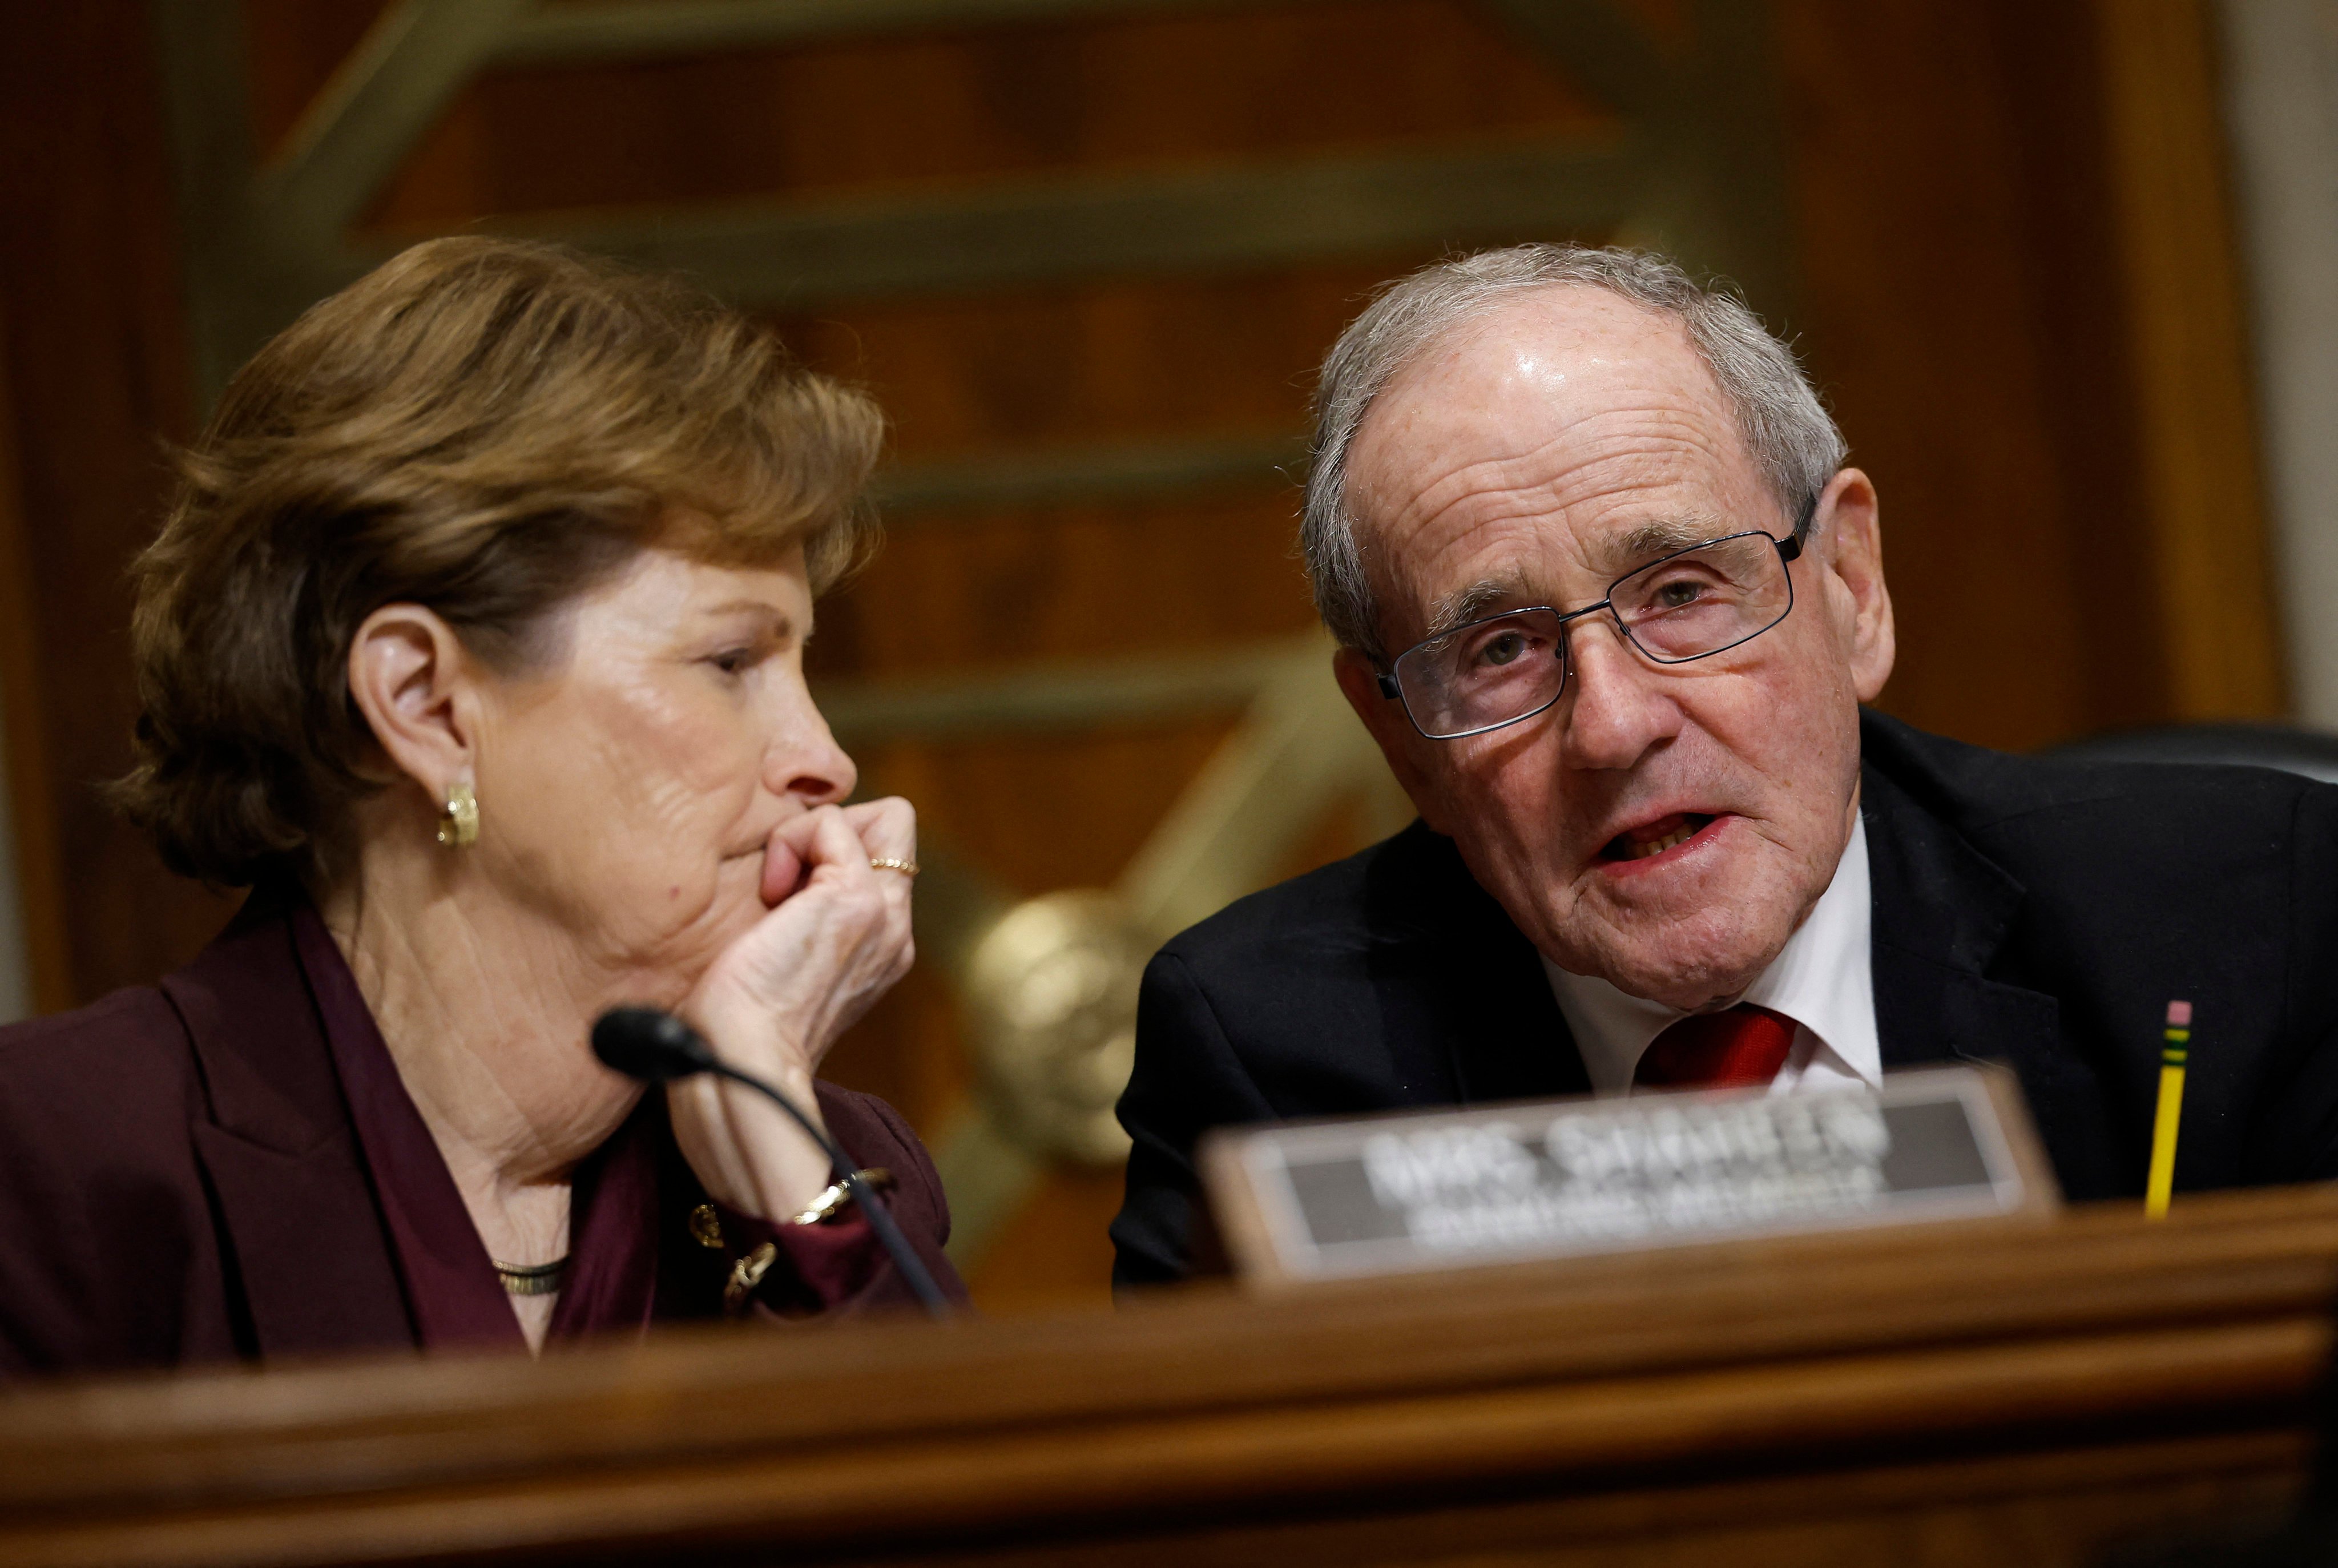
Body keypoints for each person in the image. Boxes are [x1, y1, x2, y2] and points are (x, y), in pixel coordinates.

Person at [1112, 243, 2338, 1287]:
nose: (1612, 726)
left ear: (1849, 587)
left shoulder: (2238, 920)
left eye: (1682, 592)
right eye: (1496, 651)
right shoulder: (1266, 1054)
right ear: (1396, 740)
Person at [0, 237, 968, 1375]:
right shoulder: (53, 1163)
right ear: (426, 705)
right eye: (727, 662)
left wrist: (776, 1160)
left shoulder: (826, 1161)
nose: (826, 762)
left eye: (800, 667)